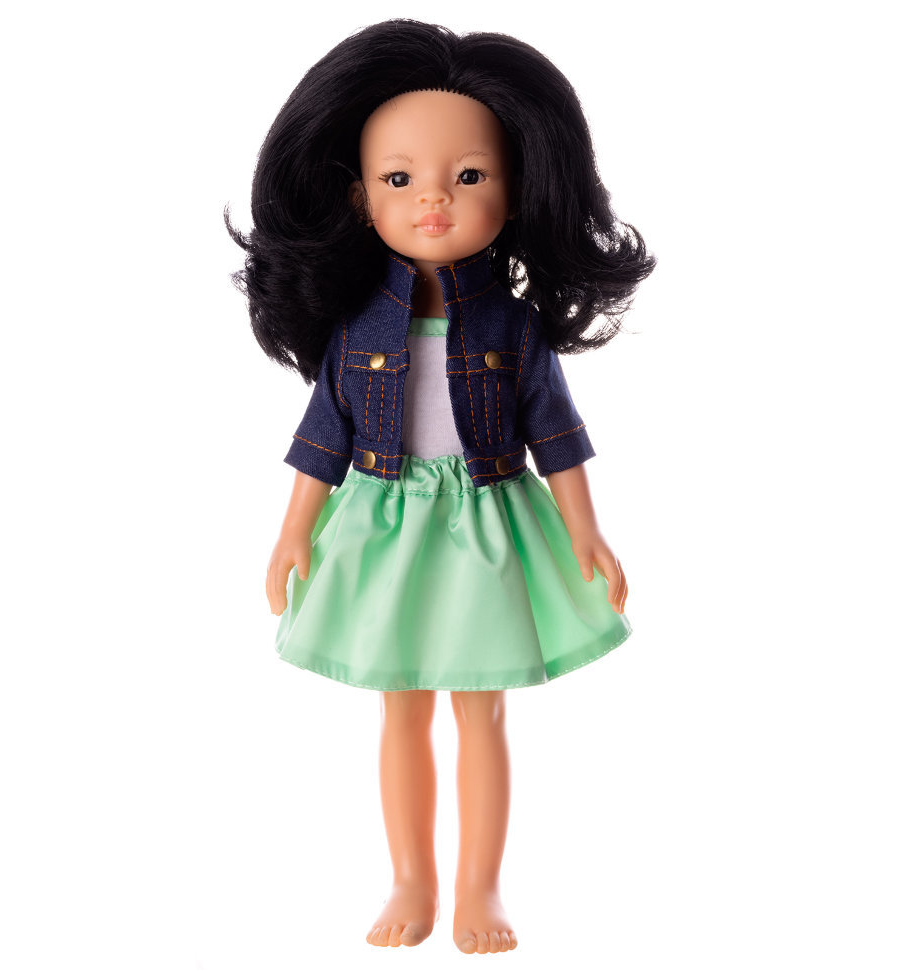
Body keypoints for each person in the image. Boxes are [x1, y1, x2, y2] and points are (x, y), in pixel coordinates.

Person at [228, 19, 654, 954]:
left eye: (468, 175)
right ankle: (411, 878)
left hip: (488, 522)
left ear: (517, 188)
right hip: (383, 521)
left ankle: (480, 888)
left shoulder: (515, 328)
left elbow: (557, 434)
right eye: (398, 179)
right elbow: (323, 436)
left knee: (481, 707)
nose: (432, 199)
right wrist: (294, 529)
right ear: (357, 197)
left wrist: (587, 530)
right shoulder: (354, 329)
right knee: (402, 705)